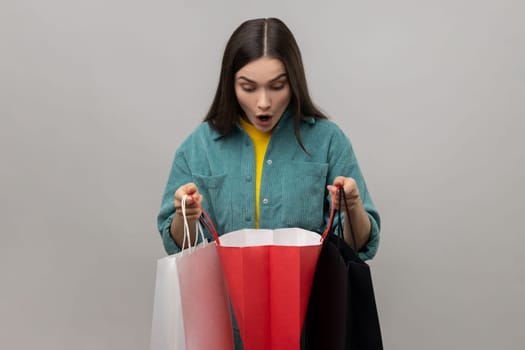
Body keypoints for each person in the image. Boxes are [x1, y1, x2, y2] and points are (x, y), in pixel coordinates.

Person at [157, 17, 381, 350]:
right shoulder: (198, 147)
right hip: (224, 332)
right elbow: (176, 243)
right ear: (230, 84)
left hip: (311, 330)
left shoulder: (328, 141)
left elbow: (362, 245)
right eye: (248, 87)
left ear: (294, 81)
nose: (264, 102)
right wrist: (184, 218)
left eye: (277, 86)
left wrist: (352, 207)